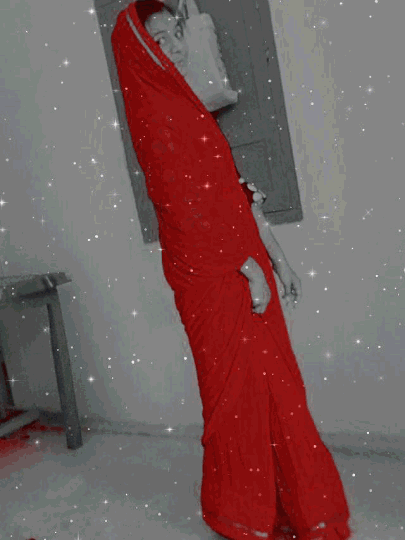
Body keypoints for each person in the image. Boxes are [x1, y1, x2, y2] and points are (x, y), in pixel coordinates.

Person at [111, 2, 353, 539]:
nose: (175, 45)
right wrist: (251, 271)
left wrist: (277, 260)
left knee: (278, 390)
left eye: (176, 31)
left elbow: (231, 194)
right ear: (141, 53)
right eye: (159, 38)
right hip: (217, 276)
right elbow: (184, 213)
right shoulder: (155, 116)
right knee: (236, 401)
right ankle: (244, 515)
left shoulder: (184, 103)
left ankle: (295, 507)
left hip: (244, 265)